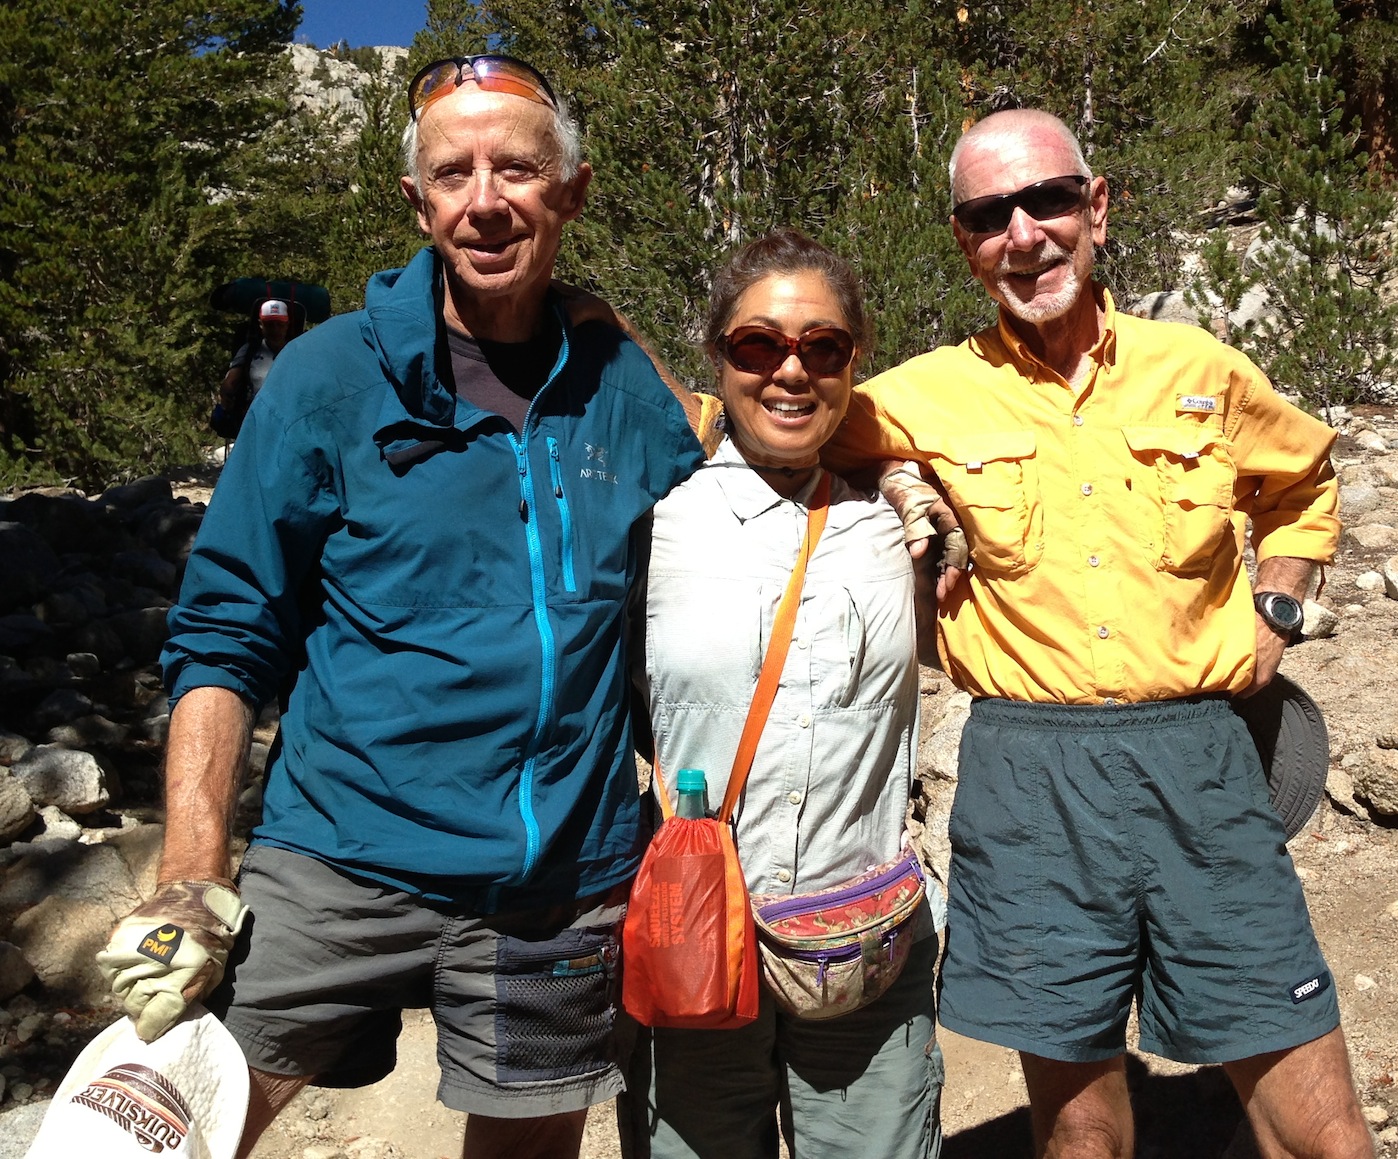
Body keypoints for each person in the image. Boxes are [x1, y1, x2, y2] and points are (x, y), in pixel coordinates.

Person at [98, 54, 705, 1159]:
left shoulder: (621, 385)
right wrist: (191, 875)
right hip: (339, 858)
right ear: (415, 200)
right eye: (452, 171)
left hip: (555, 884)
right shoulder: (328, 379)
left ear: (570, 190)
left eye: (517, 168)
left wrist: (895, 472)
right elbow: (227, 636)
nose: (484, 199)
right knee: (166, 1128)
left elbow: (721, 521)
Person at [825, 109, 1373, 1159]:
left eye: (1048, 200)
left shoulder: (1199, 368)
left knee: (1324, 1133)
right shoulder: (919, 395)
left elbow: (1301, 483)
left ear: (1098, 208)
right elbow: (770, 418)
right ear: (962, 240)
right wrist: (894, 472)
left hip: (1203, 762)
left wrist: (1277, 606)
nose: (1023, 232)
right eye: (989, 214)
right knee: (1080, 1139)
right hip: (1028, 776)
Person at [622, 229, 944, 1159]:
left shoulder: (893, 520)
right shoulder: (656, 517)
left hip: (867, 941)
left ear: (855, 362)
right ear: (719, 359)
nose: (790, 372)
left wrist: (904, 475)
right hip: (697, 932)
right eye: (759, 346)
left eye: (823, 347)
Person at [211, 298, 295, 438]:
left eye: (279, 324)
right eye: (269, 324)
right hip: (255, 420)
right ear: (260, 325)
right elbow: (230, 384)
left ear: (287, 325)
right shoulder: (249, 351)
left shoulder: (297, 351)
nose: (275, 329)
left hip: (289, 422)